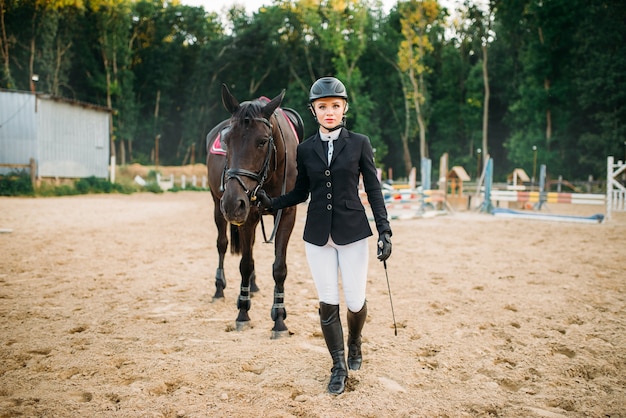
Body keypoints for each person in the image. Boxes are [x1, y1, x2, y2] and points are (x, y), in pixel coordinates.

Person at [256, 76, 392, 395]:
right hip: (317, 235)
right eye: (322, 107)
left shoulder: (360, 143)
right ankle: (338, 366)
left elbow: (373, 189)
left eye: (335, 106)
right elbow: (301, 191)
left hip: (353, 232)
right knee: (328, 301)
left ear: (344, 109)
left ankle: (355, 342)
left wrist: (385, 230)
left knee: (356, 301)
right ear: (313, 111)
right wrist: (272, 203)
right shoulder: (305, 149)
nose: (329, 111)